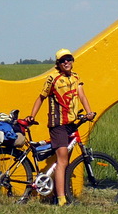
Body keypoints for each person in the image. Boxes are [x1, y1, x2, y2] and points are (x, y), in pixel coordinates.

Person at [27, 48, 96, 206]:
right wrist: (32, 115)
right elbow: (41, 97)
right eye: (63, 60)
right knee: (62, 161)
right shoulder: (53, 78)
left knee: (65, 161)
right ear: (58, 63)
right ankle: (61, 199)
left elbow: (82, 95)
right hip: (58, 124)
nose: (66, 62)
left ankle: (59, 195)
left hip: (71, 124)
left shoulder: (76, 77)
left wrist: (89, 112)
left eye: (69, 59)